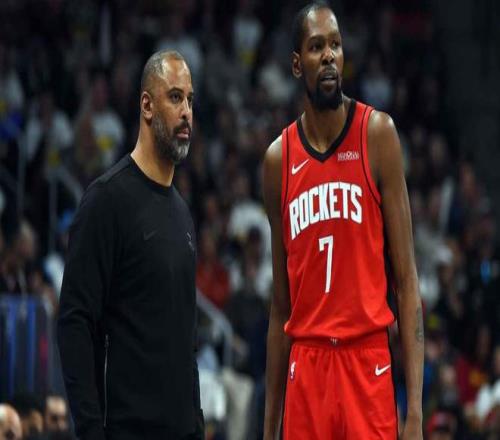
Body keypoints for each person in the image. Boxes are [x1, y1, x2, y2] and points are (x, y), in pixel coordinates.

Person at [262, 2, 423, 439]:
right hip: (307, 366)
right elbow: (280, 307)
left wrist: (414, 413)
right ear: (297, 64)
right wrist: (269, 428)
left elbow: (407, 281)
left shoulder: (378, 135)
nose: (330, 55)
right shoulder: (278, 160)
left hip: (366, 363)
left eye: (335, 44)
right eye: (317, 47)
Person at [57, 50, 204, 440]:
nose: (186, 112)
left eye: (190, 100)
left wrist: (196, 423)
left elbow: (186, 340)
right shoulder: (106, 200)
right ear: (147, 106)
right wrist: (91, 430)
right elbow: (74, 323)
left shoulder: (182, 213)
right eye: (175, 97)